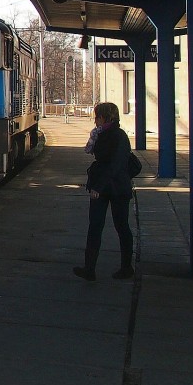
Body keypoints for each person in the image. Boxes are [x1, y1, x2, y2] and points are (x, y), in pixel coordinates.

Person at [74, 102, 134, 281]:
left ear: (105, 117)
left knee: (120, 226)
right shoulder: (102, 134)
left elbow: (115, 165)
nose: (95, 121)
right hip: (105, 186)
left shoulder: (118, 136)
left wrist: (98, 187)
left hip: (115, 188)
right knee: (95, 227)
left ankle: (126, 267)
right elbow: (91, 151)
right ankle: (89, 268)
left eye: (97, 117)